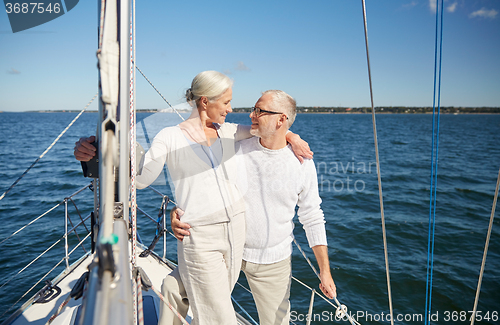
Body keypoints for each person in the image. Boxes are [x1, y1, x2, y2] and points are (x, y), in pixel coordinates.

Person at [73, 71, 312, 325]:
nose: (231, 109)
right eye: (226, 102)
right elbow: (141, 180)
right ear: (205, 101)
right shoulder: (169, 137)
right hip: (198, 236)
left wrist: (293, 137)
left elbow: (267, 130)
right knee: (219, 317)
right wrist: (92, 153)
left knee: (207, 309)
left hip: (236, 233)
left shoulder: (229, 131)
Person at [171, 90, 336, 325]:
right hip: (226, 250)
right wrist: (177, 212)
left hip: (273, 262)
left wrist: (324, 271)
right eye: (253, 109)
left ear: (281, 120)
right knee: (177, 292)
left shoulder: (302, 163)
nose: (251, 115)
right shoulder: (236, 148)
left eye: (260, 111)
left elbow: (312, 216)